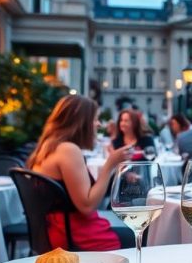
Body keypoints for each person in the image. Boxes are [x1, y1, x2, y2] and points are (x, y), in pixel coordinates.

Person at [27, 95, 135, 251]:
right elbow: (87, 206)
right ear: (80, 122)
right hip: (75, 235)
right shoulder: (68, 150)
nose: (98, 124)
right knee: (143, 237)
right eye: (95, 119)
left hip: (55, 231)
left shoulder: (46, 148)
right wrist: (110, 165)